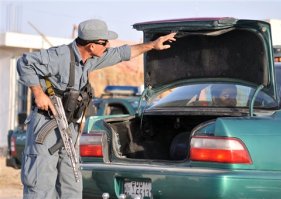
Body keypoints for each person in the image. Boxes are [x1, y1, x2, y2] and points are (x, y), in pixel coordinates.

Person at [17, 19, 176, 199]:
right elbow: (24, 63)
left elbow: (121, 53)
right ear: (92, 46)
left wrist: (152, 45)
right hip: (46, 127)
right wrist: (38, 93)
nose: (108, 45)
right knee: (41, 185)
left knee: (72, 184)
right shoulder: (59, 57)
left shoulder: (90, 60)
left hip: (69, 128)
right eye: (104, 42)